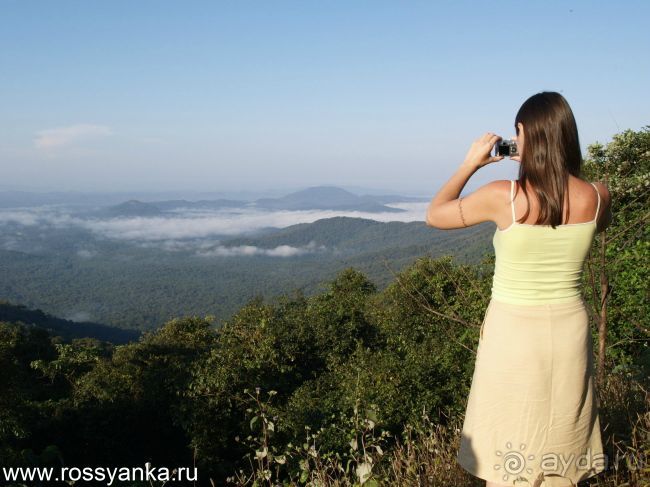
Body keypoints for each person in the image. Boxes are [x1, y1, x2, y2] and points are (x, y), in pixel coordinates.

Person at [425, 91, 612, 487]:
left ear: (525, 135)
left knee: (512, 424)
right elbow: (588, 223)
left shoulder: (503, 197)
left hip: (513, 329)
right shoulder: (598, 196)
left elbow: (435, 214)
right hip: (570, 326)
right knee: (564, 419)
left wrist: (470, 164)